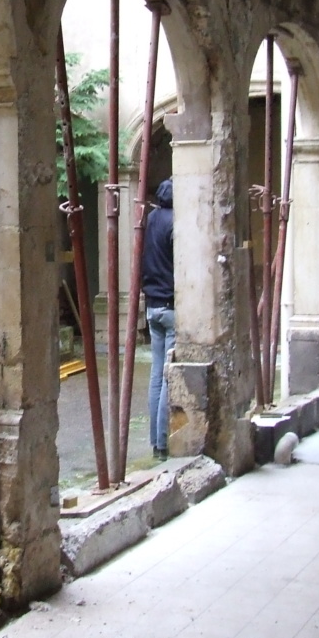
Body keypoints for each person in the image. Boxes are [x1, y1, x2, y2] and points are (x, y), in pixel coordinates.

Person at [141, 177, 175, 459]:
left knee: (156, 374)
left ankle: (154, 440)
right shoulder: (176, 222)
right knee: (168, 376)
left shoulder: (150, 219)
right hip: (171, 306)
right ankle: (164, 442)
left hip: (151, 305)